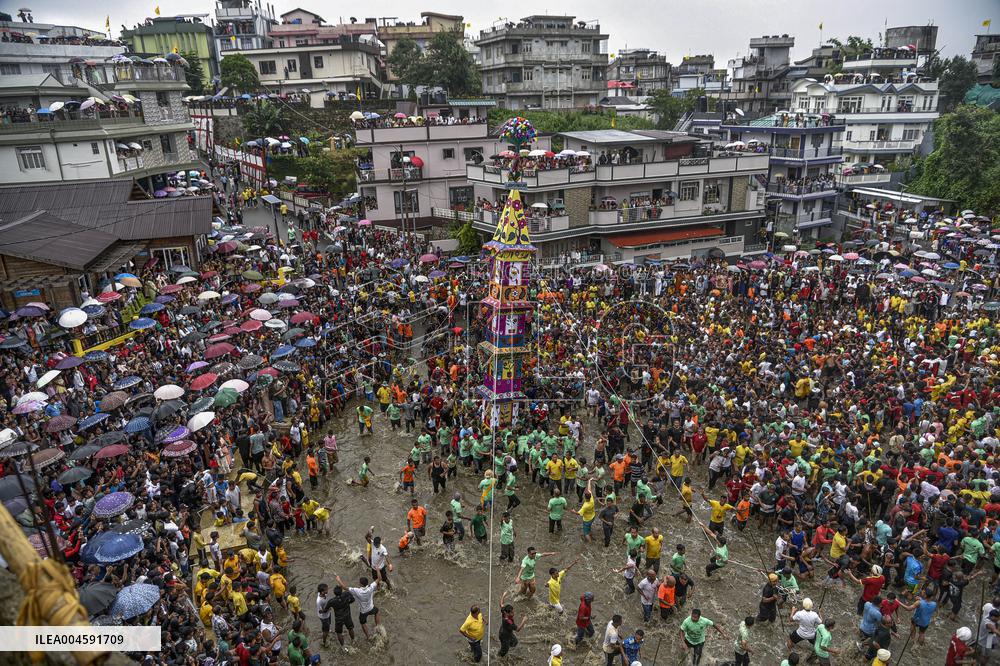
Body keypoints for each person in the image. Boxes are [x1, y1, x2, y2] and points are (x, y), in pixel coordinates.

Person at [335, 574, 379, 640]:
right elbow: (379, 578)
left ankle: (368, 637)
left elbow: (344, 587)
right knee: (377, 612)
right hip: (371, 608)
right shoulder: (371, 587)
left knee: (363, 623)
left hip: (363, 611)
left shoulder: (357, 591)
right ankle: (378, 627)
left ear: (361, 584)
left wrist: (338, 580)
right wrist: (378, 569)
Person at [498, 591, 526, 657]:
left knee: (515, 642)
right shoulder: (508, 621)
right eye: (511, 613)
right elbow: (518, 629)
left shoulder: (504, 611)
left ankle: (508, 647)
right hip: (504, 635)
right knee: (504, 650)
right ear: (507, 613)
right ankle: (499, 657)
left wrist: (503, 595)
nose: (513, 613)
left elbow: (501, 604)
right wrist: (523, 621)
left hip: (507, 631)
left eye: (513, 611)